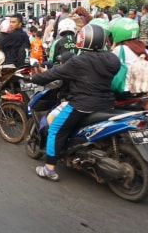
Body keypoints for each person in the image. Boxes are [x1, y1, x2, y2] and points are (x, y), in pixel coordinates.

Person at [31, 24, 121, 181]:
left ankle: (49, 168)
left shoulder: (78, 62)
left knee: (55, 130)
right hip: (107, 104)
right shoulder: (112, 59)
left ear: (82, 40)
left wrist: (35, 78)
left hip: (82, 105)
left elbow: (53, 73)